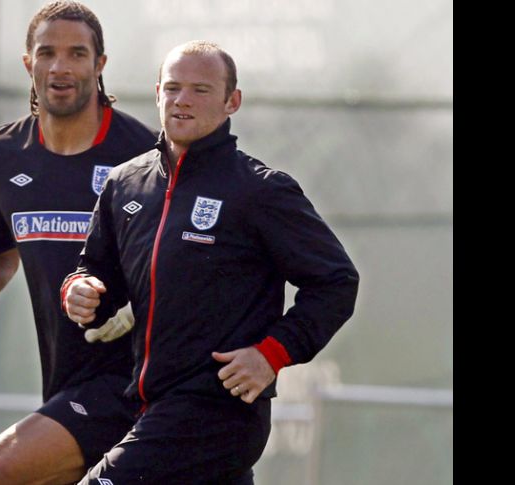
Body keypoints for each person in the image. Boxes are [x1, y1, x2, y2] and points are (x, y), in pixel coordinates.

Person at [62, 40, 360, 483]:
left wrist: (271, 354)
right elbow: (97, 276)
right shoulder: (125, 184)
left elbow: (336, 282)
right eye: (173, 87)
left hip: (217, 411)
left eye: (201, 89)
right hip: (148, 403)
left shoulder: (259, 190)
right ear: (157, 92)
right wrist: (81, 292)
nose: (183, 100)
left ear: (231, 101)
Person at [0, 2, 157, 484]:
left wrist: (139, 303)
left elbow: (188, 257)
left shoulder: (145, 153)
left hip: (135, 382)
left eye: (77, 54)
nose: (60, 67)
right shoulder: (2, 153)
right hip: (64, 381)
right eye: (47, 52)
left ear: (99, 65)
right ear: (29, 62)